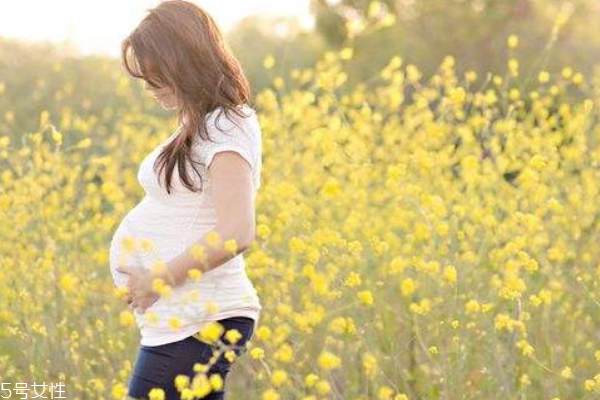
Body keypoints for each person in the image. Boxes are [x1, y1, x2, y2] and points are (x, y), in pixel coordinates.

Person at [108, 1, 263, 398]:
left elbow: (237, 231)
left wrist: (158, 280)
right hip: (189, 317)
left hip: (201, 317)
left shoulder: (226, 124)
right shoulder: (202, 126)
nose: (148, 88)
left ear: (183, 63)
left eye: (155, 77)